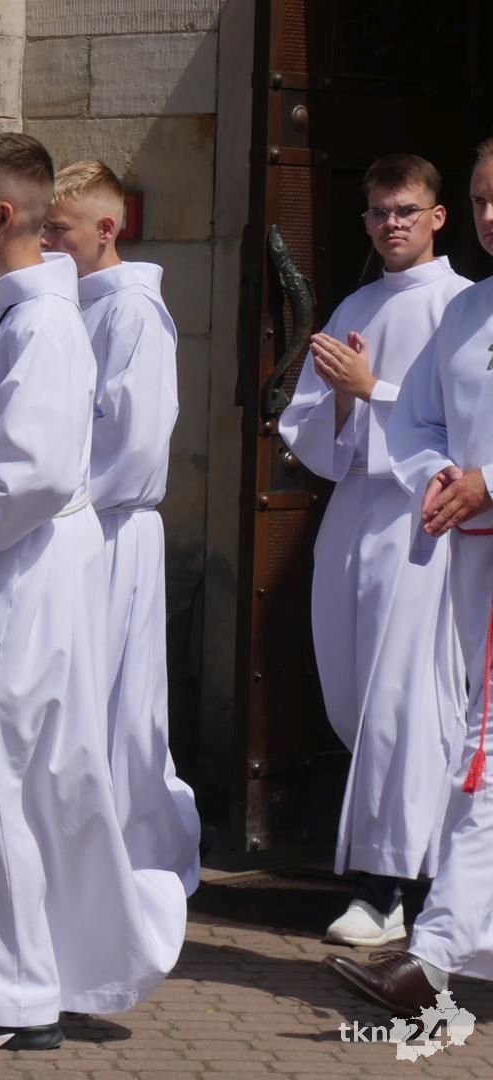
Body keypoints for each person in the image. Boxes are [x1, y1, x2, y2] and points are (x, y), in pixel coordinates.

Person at [0, 133, 182, 1051]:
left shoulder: (46, 322)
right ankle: (37, 975)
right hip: (18, 562)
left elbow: (41, 472)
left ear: (1, 214)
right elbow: (27, 444)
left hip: (25, 573)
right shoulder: (29, 313)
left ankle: (2, 995)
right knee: (13, 775)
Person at [278, 154, 469, 947]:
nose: (392, 224)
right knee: (352, 693)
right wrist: (342, 403)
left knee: (404, 704)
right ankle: (431, 869)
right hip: (355, 513)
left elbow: (462, 427)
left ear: (437, 216)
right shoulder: (355, 304)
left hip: (424, 524)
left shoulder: (462, 306)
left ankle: (386, 888)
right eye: (380, 212)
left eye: (406, 210)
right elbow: (307, 427)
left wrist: (371, 390)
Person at [328, 138, 493, 1013]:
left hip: (471, 534)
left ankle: (427, 946)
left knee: (475, 745)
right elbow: (418, 421)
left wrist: (486, 480)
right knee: (472, 745)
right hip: (454, 545)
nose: (490, 216)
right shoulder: (465, 312)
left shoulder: (453, 299)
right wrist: (436, 472)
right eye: (483, 200)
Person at [40, 161, 203, 900]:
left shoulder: (132, 311)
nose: (47, 242)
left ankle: (138, 859)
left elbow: (131, 440)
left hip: (109, 525)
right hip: (77, 521)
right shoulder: (68, 304)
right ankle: (76, 859)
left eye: (59, 229)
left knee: (116, 705)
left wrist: (51, 491)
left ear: (106, 229)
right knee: (75, 698)